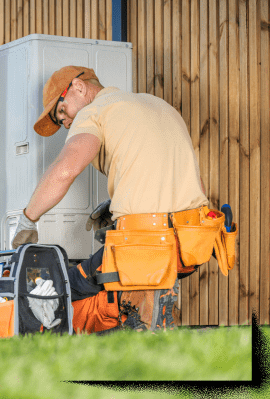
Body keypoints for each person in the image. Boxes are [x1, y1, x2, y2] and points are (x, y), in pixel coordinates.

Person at [11, 65, 211, 334]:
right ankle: (150, 312)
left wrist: (27, 219)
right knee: (127, 279)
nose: (66, 123)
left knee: (61, 286)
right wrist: (122, 203)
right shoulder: (158, 104)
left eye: (62, 111)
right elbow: (192, 183)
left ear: (78, 88)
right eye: (61, 122)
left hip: (144, 243)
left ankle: (133, 321)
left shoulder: (94, 111)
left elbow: (66, 169)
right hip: (191, 244)